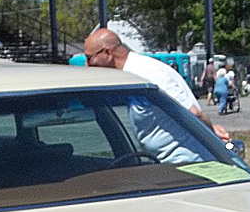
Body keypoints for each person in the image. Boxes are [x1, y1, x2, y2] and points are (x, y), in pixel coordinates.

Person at [83, 29, 230, 147]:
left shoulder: (148, 73)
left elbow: (194, 113)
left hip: (186, 163)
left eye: (89, 58)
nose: (86, 65)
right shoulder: (133, 72)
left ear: (108, 53)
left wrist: (212, 136)